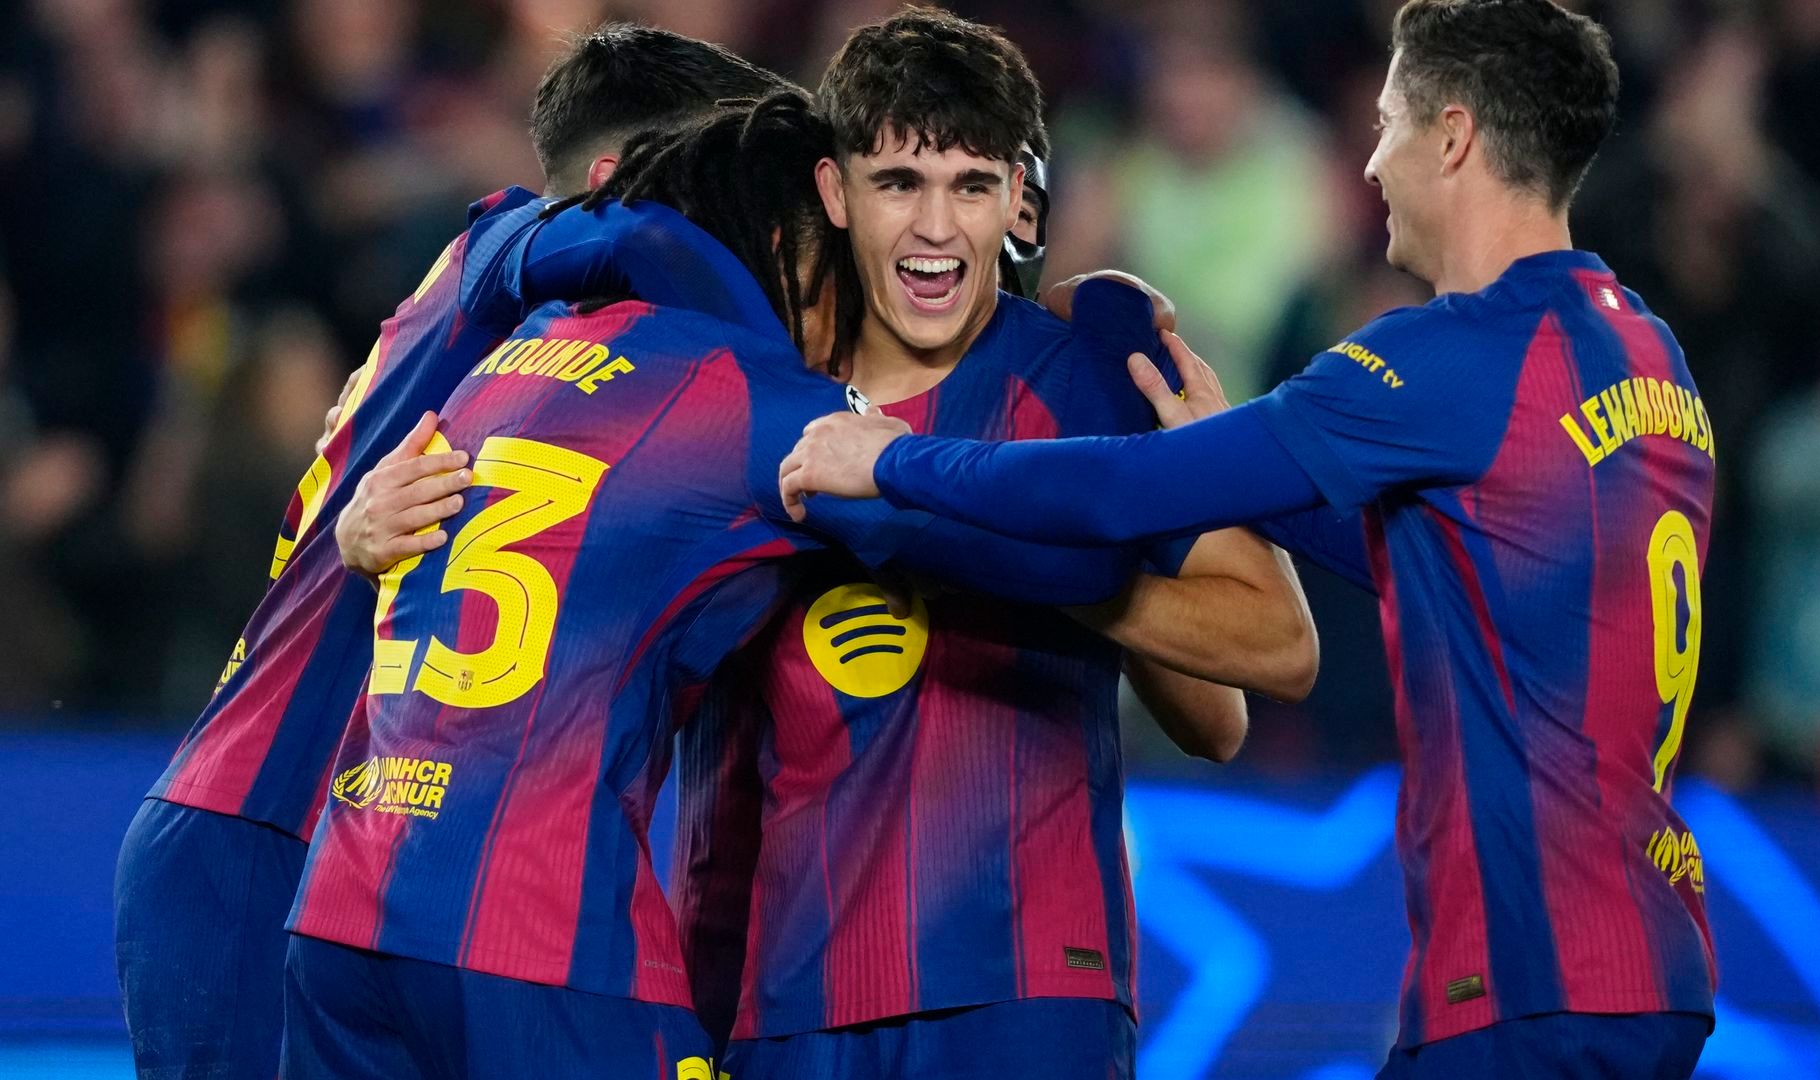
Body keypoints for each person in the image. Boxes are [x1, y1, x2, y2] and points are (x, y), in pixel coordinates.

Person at [339, 12, 1317, 1077]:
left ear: (1017, 200)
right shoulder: (738, 388)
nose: (936, 228)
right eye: (899, 182)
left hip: (1028, 985)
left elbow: (1237, 693)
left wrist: (1005, 537)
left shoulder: (1076, 378)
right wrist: (365, 521)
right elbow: (541, 534)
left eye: (971, 187)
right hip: (774, 993)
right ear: (834, 190)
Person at [779, 1, 1720, 1075]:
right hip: (1654, 949)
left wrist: (894, 461)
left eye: (1388, 124)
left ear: (1453, 137)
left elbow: (1119, 492)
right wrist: (1234, 452)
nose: (1371, 163)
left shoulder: (1447, 361)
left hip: (1532, 971)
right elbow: (1445, 560)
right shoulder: (1647, 353)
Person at [113, 25, 792, 1080]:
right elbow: (651, 243)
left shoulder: (546, 341)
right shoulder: (498, 255)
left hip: (334, 840)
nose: (742, 216)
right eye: (719, 177)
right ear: (612, 185)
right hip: (265, 819)